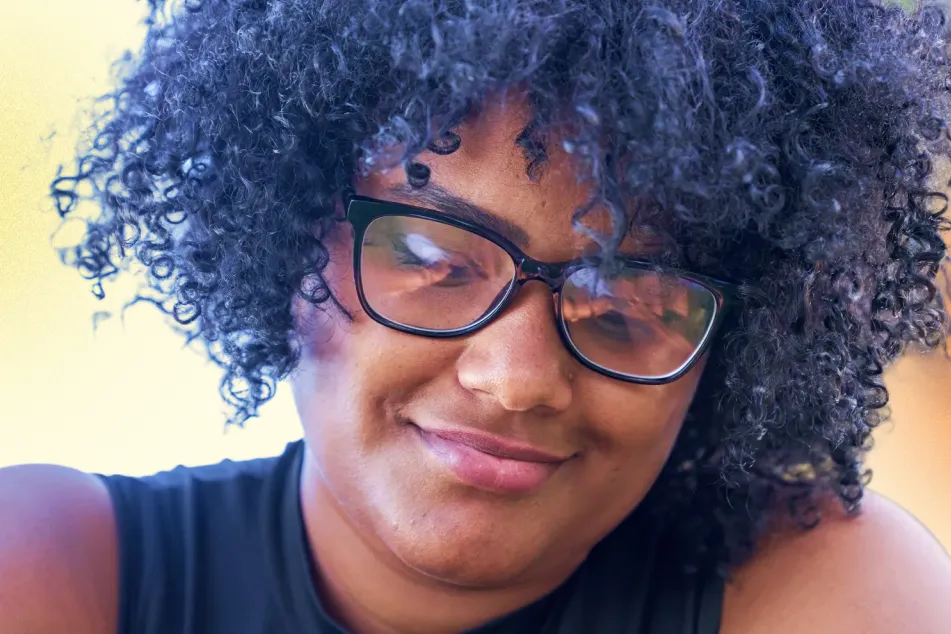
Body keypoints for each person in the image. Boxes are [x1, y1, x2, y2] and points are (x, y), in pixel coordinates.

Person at [3, 0, 951, 632]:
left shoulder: (828, 593)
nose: (518, 376)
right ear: (284, 232)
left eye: (628, 301)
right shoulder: (54, 570)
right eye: (432, 260)